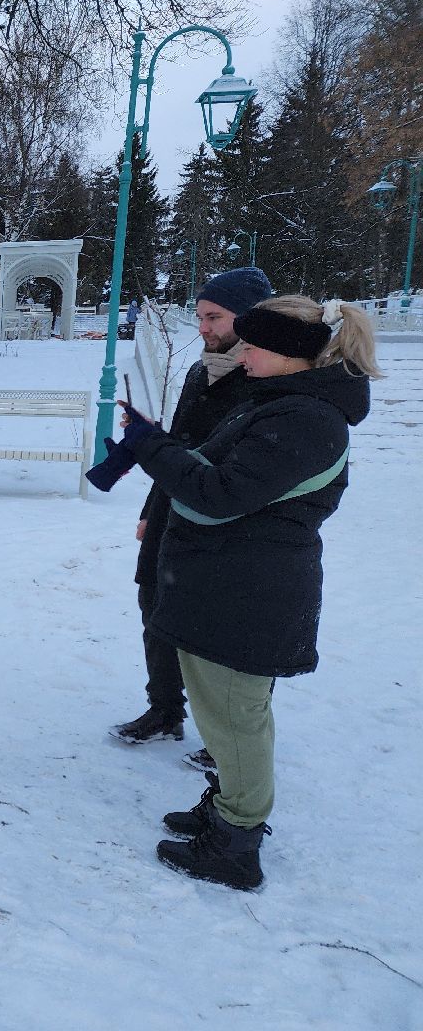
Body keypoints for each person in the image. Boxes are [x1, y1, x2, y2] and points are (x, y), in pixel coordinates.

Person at [107, 295, 381, 890]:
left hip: (248, 595)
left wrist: (152, 448)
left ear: (288, 354)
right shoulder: (282, 404)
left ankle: (235, 843)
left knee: (235, 720)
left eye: (253, 346)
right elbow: (211, 470)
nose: (243, 354)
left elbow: (217, 492)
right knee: (225, 714)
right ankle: (230, 807)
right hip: (229, 586)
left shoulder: (305, 420)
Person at [110, 267, 273, 758]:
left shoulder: (267, 379)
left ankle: (231, 739)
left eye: (214, 317)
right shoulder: (202, 370)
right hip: (172, 510)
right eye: (200, 316)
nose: (203, 327)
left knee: (224, 633)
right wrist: (150, 508)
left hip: (228, 524)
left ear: (250, 319)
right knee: (156, 609)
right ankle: (164, 711)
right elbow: (178, 446)